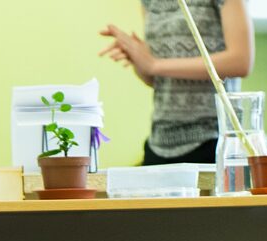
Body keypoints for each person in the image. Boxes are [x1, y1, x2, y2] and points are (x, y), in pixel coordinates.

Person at [100, 0, 254, 166]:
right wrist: (138, 58)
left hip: (214, 141)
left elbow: (241, 61)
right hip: (159, 143)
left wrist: (154, 65)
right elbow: (159, 80)